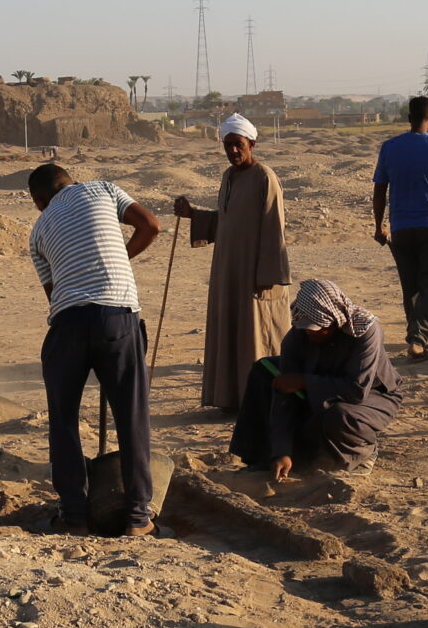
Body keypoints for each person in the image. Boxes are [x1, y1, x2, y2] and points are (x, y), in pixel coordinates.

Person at [27, 161, 161, 535]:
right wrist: (119, 260)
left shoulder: (38, 231)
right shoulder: (103, 189)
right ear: (71, 181)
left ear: (39, 200)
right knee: (132, 417)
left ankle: (74, 516)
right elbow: (151, 226)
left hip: (68, 325)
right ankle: (138, 518)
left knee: (63, 421)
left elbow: (56, 296)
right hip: (117, 317)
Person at [172, 113, 291, 412]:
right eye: (227, 145)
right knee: (231, 330)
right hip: (228, 272)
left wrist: (269, 273)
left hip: (255, 272)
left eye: (238, 144)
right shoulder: (229, 177)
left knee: (257, 334)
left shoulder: (265, 176)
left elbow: (274, 227)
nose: (232, 151)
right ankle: (231, 398)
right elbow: (227, 222)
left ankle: (261, 400)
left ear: (251, 143)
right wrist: (193, 215)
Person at [230, 280, 402, 481]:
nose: (312, 334)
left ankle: (363, 453)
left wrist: (304, 381)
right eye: (307, 329)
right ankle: (261, 458)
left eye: (320, 329)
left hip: (371, 397)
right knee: (263, 372)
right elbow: (284, 399)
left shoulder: (365, 331)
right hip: (319, 389)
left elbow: (356, 390)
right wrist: (281, 451)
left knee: (339, 414)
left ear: (336, 321)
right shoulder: (296, 338)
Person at [372, 96, 428, 360]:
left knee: (410, 286)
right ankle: (419, 339)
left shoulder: (389, 147)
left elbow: (380, 190)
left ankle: (416, 337)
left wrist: (380, 226)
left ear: (408, 117)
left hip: (402, 228)